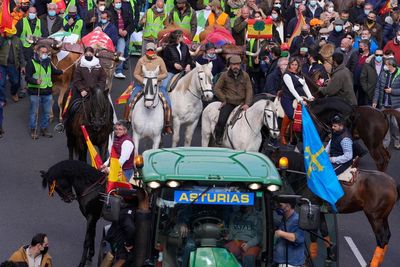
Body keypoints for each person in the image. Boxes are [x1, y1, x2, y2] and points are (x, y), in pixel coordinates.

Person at [131, 42, 171, 134]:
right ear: (146, 50)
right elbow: (136, 73)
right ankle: (128, 120)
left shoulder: (160, 60)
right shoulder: (141, 60)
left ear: (155, 51)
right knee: (131, 100)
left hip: (157, 86)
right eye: (148, 50)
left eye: (151, 50)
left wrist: (156, 79)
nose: (150, 51)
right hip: (142, 86)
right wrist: (143, 80)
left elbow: (165, 73)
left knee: (168, 103)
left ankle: (167, 125)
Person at [25, 44, 63, 139]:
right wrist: (35, 81)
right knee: (34, 112)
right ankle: (33, 130)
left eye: (46, 52)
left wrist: (61, 71)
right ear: (37, 52)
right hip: (35, 92)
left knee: (46, 112)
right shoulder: (31, 63)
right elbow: (27, 77)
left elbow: (53, 71)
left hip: (47, 91)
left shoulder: (48, 62)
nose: (45, 54)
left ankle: (44, 129)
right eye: (43, 52)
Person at [214, 55, 253, 146]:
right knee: (221, 120)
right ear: (230, 65)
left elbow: (249, 90)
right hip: (229, 103)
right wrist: (224, 99)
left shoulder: (245, 75)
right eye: (234, 64)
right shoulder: (224, 75)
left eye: (238, 64)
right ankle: (218, 137)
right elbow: (216, 89)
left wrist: (247, 103)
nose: (236, 66)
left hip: (242, 103)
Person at [280, 57, 314, 145]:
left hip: (299, 96)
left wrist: (310, 96)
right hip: (287, 98)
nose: (294, 66)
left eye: (296, 65)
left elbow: (304, 85)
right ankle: (282, 135)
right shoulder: (287, 75)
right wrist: (300, 99)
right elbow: (291, 89)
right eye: (292, 64)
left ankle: (295, 135)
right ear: (289, 65)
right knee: (290, 114)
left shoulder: (300, 74)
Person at [373, 58, 400, 149]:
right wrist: (375, 101)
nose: (385, 66)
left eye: (386, 64)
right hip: (384, 104)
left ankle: (397, 140)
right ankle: (386, 142)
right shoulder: (383, 73)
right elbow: (378, 88)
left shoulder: (399, 74)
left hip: (396, 105)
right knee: (385, 124)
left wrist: (392, 91)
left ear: (391, 66)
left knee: (395, 124)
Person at [161, 30, 193, 97]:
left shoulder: (185, 46)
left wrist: (188, 65)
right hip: (171, 71)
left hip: (184, 71)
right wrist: (174, 64)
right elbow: (165, 60)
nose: (183, 37)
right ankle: (164, 101)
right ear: (177, 37)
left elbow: (189, 58)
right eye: (181, 36)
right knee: (164, 86)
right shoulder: (168, 48)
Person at [273, 202, 305, 267]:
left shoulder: (297, 220)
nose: (278, 207)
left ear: (287, 207)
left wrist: (281, 233)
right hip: (281, 261)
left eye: (280, 205)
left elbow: (298, 238)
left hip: (291, 263)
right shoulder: (285, 218)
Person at [109, 0, 134, 79]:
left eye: (119, 2)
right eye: (116, 2)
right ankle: (109, 69)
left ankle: (119, 70)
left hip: (122, 36)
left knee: (121, 52)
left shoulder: (126, 11)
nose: (118, 4)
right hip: (112, 35)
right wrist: (117, 30)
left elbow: (131, 23)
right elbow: (109, 23)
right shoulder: (109, 12)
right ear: (113, 4)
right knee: (110, 53)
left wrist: (126, 31)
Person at [0, 28, 26, 104]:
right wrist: (1, 37)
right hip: (1, 65)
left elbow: (21, 54)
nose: (10, 34)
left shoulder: (17, 40)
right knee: (1, 84)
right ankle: (2, 100)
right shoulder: (1, 38)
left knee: (15, 82)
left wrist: (23, 66)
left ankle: (13, 93)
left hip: (13, 65)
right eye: (8, 33)